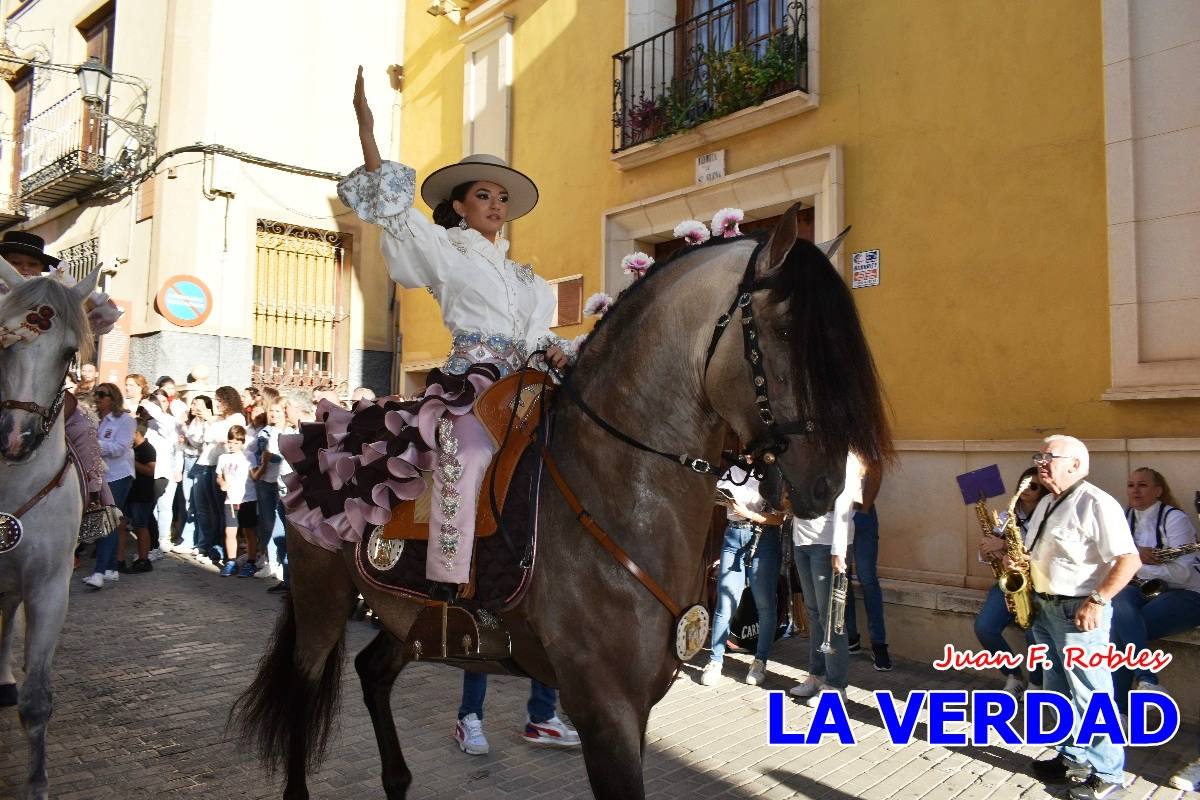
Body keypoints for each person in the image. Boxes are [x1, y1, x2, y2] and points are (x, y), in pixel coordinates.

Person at [279, 68, 577, 747]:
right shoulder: (444, 250)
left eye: (503, 196)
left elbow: (543, 340)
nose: (496, 204)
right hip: (472, 384)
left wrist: (569, 353)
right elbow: (390, 209)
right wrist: (367, 129)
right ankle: (450, 581)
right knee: (466, 450)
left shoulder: (528, 280)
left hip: (529, 385)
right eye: (484, 195)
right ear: (461, 207)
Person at [1023, 436, 1140, 800]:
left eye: (1049, 457)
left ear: (1075, 464)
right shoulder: (1046, 502)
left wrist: (1097, 600)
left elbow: (1129, 559)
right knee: (1058, 689)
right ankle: (1073, 757)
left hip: (1079, 613)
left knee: (1092, 693)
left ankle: (1109, 773)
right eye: (1039, 456)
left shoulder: (1096, 503)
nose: (1041, 462)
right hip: (1046, 608)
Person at [1110, 467, 1199, 707]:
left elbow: (1182, 574)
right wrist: (1135, 560)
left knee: (1121, 631)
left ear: (1158, 491)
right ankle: (1147, 680)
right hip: (1143, 590)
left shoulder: (1175, 519)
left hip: (1186, 593)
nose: (1135, 490)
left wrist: (1132, 564)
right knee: (1118, 603)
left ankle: (1120, 709)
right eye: (1131, 485)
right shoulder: (1124, 518)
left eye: (1142, 485)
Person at [699, 459, 785, 687]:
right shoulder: (732, 471)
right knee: (725, 603)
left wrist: (745, 512)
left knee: (765, 603)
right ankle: (715, 660)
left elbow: (779, 518)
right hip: (733, 537)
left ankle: (760, 661)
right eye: (745, 451)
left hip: (763, 538)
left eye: (752, 452)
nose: (747, 456)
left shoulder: (772, 474)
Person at [788, 453, 863, 707]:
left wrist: (839, 549)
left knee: (831, 617)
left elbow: (845, 503)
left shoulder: (846, 457)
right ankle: (817, 675)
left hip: (827, 543)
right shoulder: (805, 452)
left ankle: (836, 684)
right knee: (814, 613)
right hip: (803, 540)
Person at [973, 467, 1049, 695]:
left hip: (1040, 585)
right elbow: (990, 548)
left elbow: (1045, 553)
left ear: (1043, 491)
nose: (1026, 489)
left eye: (1034, 486)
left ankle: (1037, 683)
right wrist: (987, 551)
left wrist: (1005, 546)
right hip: (1011, 582)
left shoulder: (1049, 516)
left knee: (1034, 634)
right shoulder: (1007, 515)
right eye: (1023, 484)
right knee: (984, 628)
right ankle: (1013, 675)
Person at [82, 383, 136, 589]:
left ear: (113, 398)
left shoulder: (125, 420)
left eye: (102, 394)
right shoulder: (92, 419)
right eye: (95, 394)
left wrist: (94, 444)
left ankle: (99, 571)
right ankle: (111, 568)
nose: (97, 398)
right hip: (99, 476)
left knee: (107, 521)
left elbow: (120, 448)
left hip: (118, 475)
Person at [842, 460, 891, 670]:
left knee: (868, 578)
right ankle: (851, 637)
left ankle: (879, 644)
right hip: (837, 515)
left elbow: (876, 471)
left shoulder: (862, 435)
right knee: (842, 578)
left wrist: (864, 509)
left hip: (862, 512)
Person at [197, 386, 247, 563]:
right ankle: (212, 546)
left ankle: (222, 550)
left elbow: (222, 436)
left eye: (220, 400)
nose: (216, 404)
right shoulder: (219, 418)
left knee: (221, 510)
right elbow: (207, 436)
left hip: (227, 469)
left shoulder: (236, 417)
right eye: (216, 400)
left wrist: (212, 423)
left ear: (229, 400)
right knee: (211, 509)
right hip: (212, 464)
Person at [250, 399, 287, 579]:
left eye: (278, 411)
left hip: (280, 482)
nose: (274, 414)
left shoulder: (288, 432)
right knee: (266, 522)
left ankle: (279, 562)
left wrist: (270, 457)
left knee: (279, 524)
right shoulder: (264, 432)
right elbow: (260, 455)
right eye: (271, 410)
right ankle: (269, 560)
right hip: (265, 480)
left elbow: (280, 457)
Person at [215, 425, 258, 577]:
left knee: (248, 532)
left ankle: (251, 562)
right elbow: (219, 475)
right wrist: (222, 483)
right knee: (230, 531)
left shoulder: (249, 455)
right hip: (230, 500)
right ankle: (231, 561)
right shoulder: (223, 457)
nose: (232, 445)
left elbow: (255, 474)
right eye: (230, 442)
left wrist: (265, 465)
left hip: (247, 499)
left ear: (242, 442)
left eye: (236, 442)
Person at [118, 419, 157, 573]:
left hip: (142, 494)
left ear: (137, 433)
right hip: (129, 493)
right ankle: (119, 560)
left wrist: (132, 461)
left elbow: (150, 470)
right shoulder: (131, 448)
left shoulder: (148, 449)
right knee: (121, 525)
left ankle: (143, 559)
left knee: (141, 526)